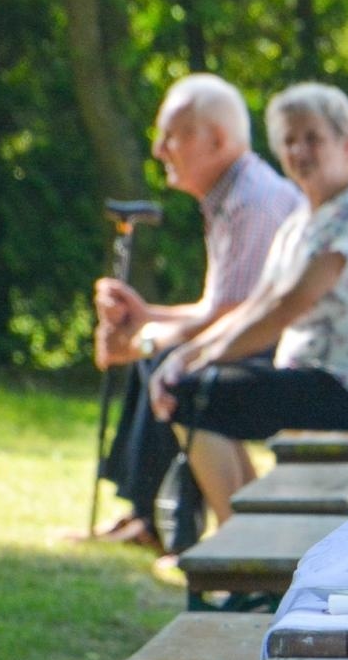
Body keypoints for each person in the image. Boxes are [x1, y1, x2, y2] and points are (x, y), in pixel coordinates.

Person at [148, 82, 348, 522]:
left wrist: (196, 363)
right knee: (189, 385)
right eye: (289, 141)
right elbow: (255, 303)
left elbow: (288, 305)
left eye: (312, 138)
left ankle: (242, 537)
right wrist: (187, 354)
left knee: (193, 396)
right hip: (310, 377)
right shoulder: (303, 219)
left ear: (347, 143)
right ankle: (253, 529)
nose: (299, 151)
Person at [88, 73, 301, 548]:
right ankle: (153, 517)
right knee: (161, 358)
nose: (160, 148)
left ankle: (239, 538)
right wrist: (145, 319)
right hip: (268, 343)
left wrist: (144, 337)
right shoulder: (230, 196)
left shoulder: (252, 201)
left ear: (218, 139)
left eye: (173, 135)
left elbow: (237, 318)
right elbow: (217, 308)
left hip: (299, 359)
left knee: (177, 372)